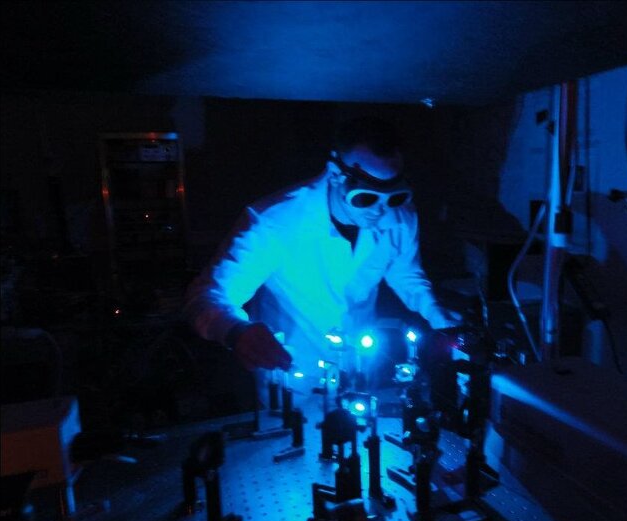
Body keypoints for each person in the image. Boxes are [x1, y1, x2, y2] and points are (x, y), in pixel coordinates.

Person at [184, 117, 460, 381]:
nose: (381, 212)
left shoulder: (399, 215)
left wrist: (438, 314)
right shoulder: (273, 223)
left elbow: (405, 273)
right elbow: (208, 295)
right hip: (294, 377)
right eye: (366, 198)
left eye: (394, 198)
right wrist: (236, 332)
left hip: (362, 369)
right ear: (335, 174)